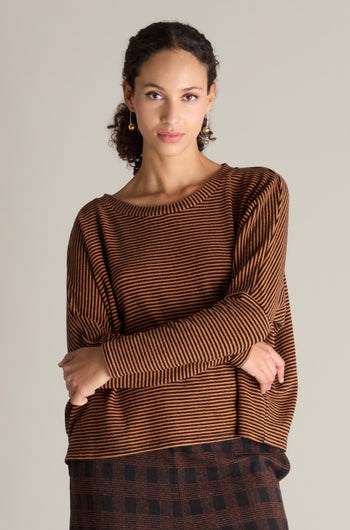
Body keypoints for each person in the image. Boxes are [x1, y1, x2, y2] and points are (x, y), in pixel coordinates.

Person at [58, 21, 297, 530]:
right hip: (115, 452)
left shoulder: (254, 194)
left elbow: (249, 316)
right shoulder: (97, 223)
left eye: (188, 95)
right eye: (154, 95)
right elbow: (87, 373)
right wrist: (230, 346)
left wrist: (118, 358)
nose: (172, 115)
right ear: (129, 97)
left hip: (232, 442)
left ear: (210, 97)